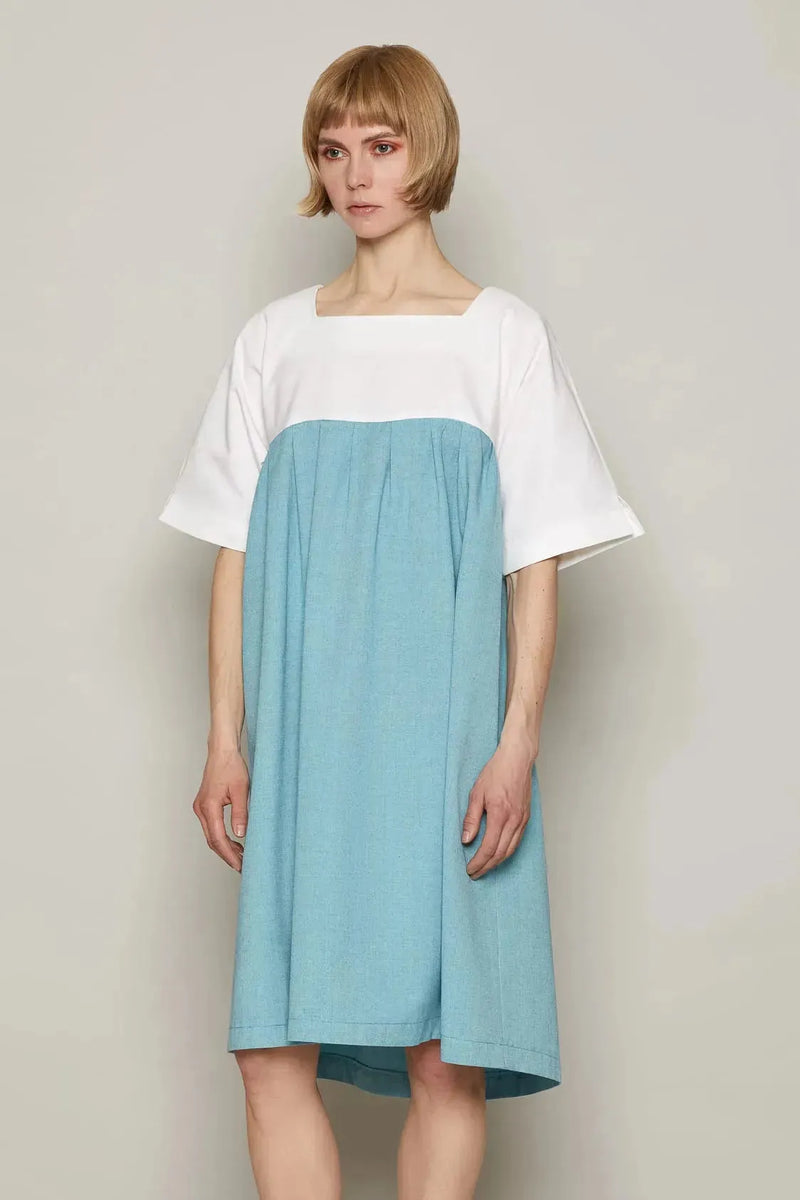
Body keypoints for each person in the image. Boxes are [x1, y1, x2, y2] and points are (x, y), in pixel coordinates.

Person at [157, 42, 645, 1200]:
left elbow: (535, 559)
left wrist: (515, 742)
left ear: (429, 152)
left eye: (381, 146)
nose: (356, 175)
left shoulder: (499, 334)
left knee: (442, 1053)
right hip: (304, 739)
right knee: (270, 1049)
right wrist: (225, 740)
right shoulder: (274, 340)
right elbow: (230, 552)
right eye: (333, 151)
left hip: (443, 739)